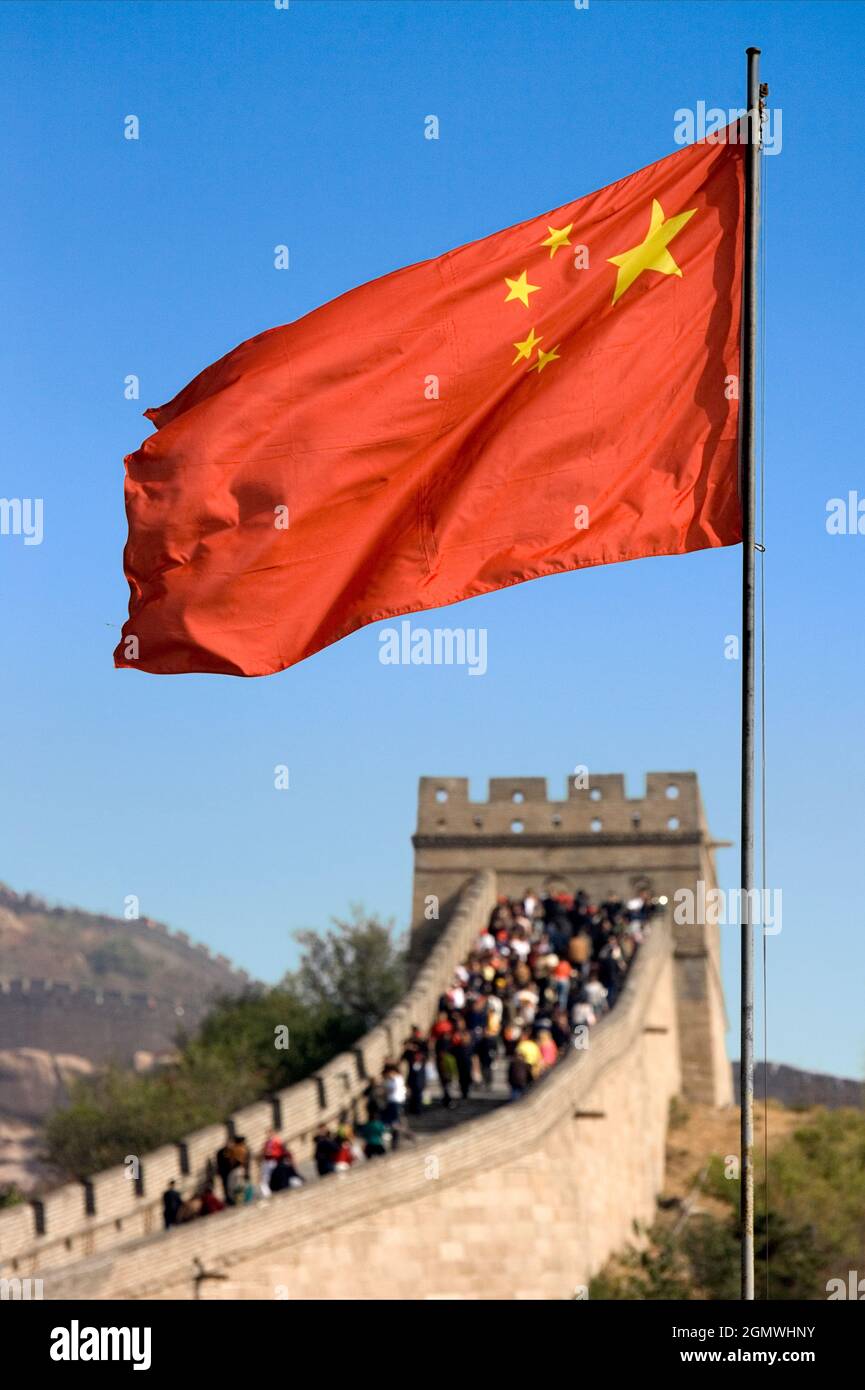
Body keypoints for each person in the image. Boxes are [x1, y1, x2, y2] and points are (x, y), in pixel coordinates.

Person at [382, 1063, 407, 1148]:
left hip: (396, 1101)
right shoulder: (390, 1080)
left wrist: (386, 1089)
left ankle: (405, 1134)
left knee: (394, 1122)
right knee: (391, 1121)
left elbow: (392, 1089)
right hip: (392, 1101)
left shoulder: (397, 1079)